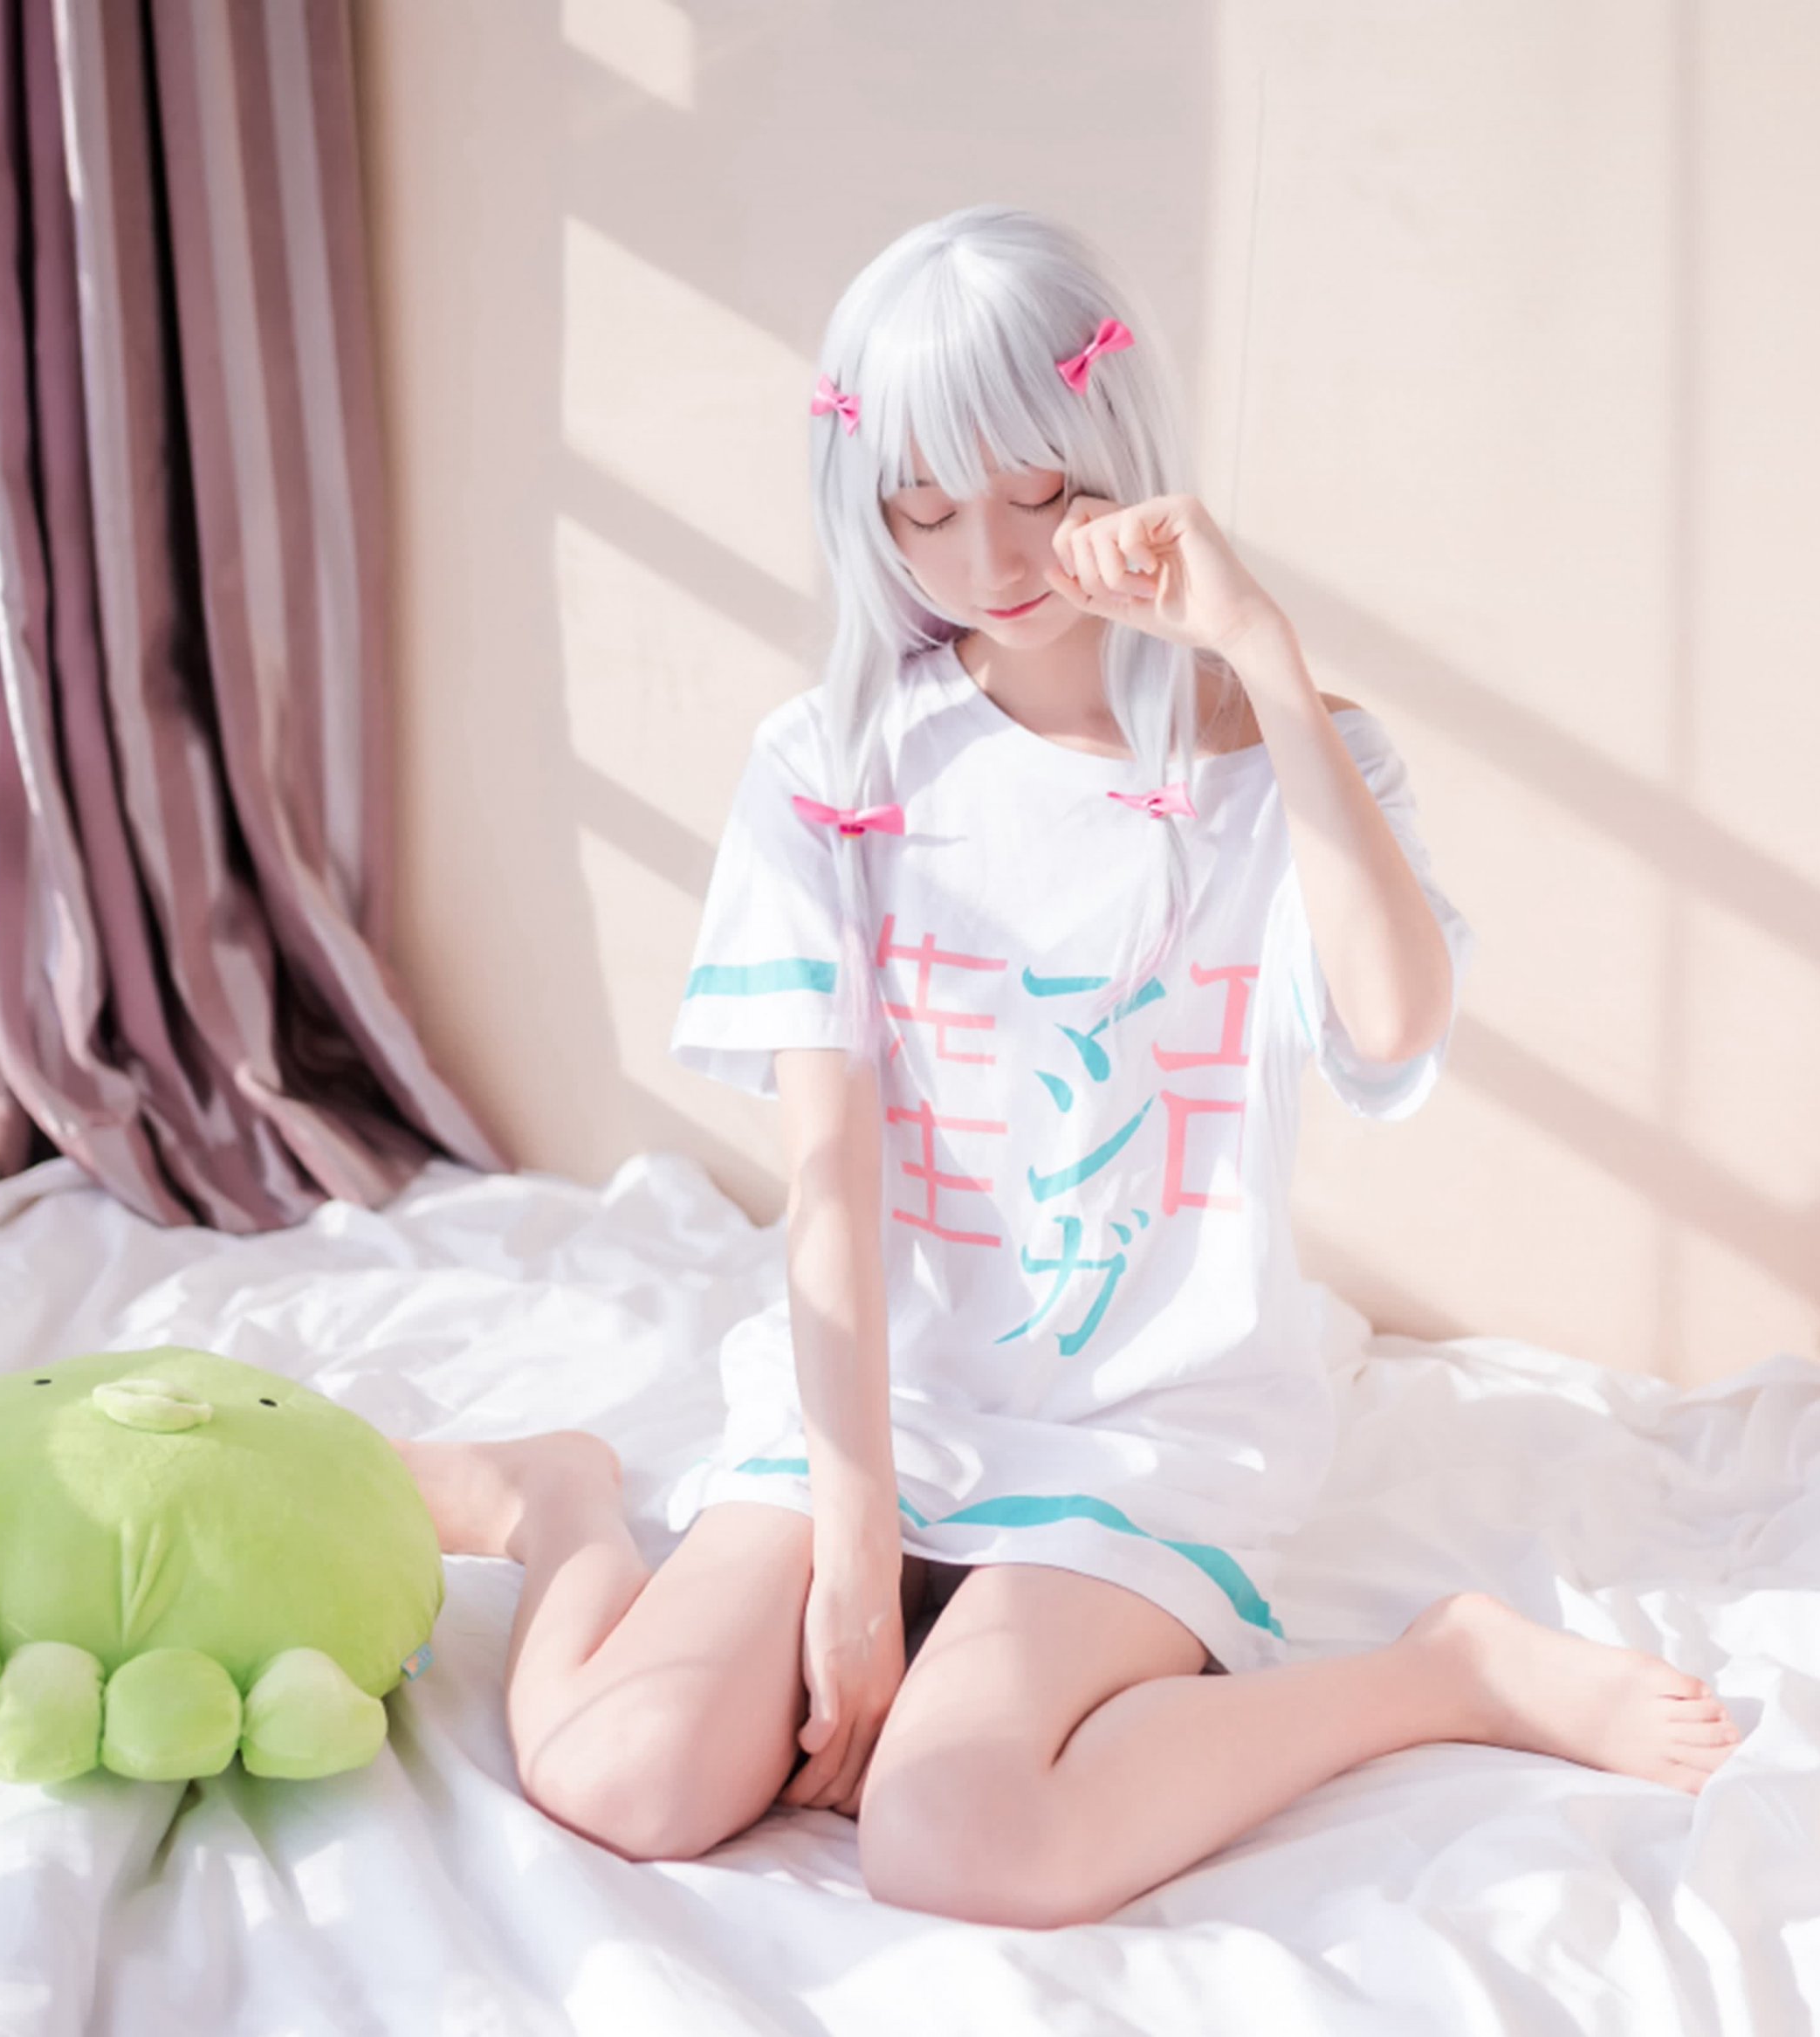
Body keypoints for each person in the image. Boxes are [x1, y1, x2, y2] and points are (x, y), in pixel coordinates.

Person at [399, 205, 1738, 1929]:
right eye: (923, 508)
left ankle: (1441, 1673)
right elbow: (831, 1185)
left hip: (1138, 1428)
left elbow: (1396, 1024)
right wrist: (854, 1558)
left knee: (957, 1839)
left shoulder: (1282, 759)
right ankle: (562, 1497)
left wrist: (1261, 655)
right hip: (876, 1408)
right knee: (623, 1777)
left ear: (1119, 455)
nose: (988, 556)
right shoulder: (833, 767)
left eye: (1038, 488)